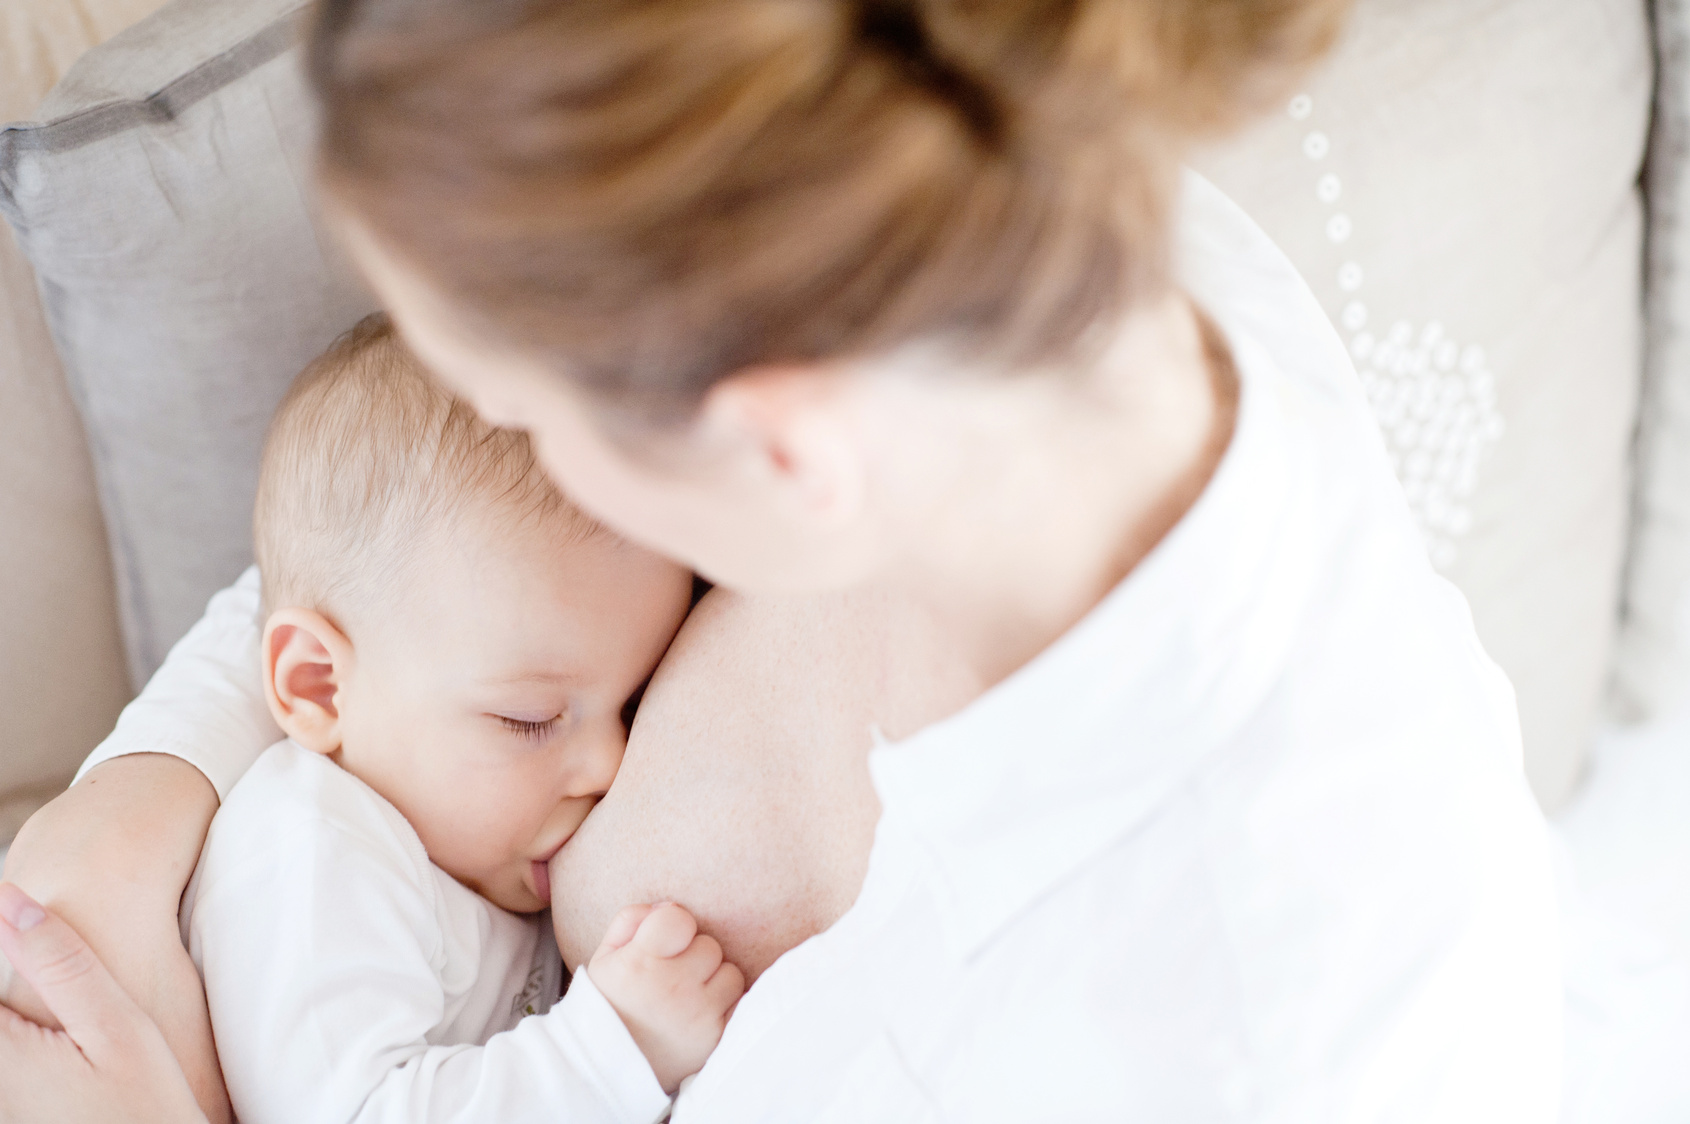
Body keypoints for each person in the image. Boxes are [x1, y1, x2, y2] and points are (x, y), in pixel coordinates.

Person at [0, 1, 1564, 1121]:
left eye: (523, 401)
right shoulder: (1012, 207)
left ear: (770, 454)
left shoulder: (1098, 1039)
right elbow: (408, 543)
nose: (497, 428)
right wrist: (148, 797)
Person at [182, 314, 739, 1124]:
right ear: (318, 687)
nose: (610, 765)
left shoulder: (469, 852)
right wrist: (611, 1050)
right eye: (530, 718)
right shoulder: (313, 848)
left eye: (632, 703)